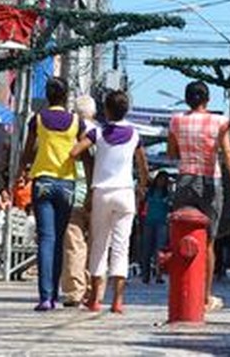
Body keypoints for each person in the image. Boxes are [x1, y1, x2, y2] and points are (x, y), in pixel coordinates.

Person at [168, 80, 230, 312]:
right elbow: (228, 155)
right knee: (209, 241)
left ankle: (180, 289)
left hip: (184, 180)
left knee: (180, 235)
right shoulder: (219, 122)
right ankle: (205, 296)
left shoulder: (176, 121)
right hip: (210, 181)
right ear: (207, 100)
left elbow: (173, 153)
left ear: (187, 99)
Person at [72, 90, 148, 313]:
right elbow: (143, 167)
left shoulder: (97, 132)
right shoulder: (135, 135)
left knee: (99, 245)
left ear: (106, 110)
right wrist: (143, 184)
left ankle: (95, 299)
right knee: (121, 246)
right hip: (125, 193)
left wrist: (94, 162)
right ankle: (118, 301)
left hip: (101, 193)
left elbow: (75, 151)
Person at [21, 78, 83, 312]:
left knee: (46, 239)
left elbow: (27, 151)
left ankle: (45, 297)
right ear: (66, 96)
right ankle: (55, 294)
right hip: (67, 185)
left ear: (47, 96)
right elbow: (85, 152)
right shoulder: (77, 122)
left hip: (43, 183)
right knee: (58, 239)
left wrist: (20, 171)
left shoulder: (36, 120)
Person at [60, 94, 97, 308]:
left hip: (73, 191)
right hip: (97, 193)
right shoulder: (102, 133)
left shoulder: (70, 131)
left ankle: (75, 291)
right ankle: (92, 289)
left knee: (74, 244)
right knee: (95, 244)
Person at [140, 172, 172, 284]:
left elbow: (171, 208)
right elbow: (142, 204)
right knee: (146, 250)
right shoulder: (150, 192)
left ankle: (159, 275)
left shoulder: (168, 194)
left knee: (159, 250)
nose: (161, 182)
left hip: (162, 223)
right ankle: (145, 275)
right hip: (149, 222)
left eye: (164, 180)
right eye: (160, 179)